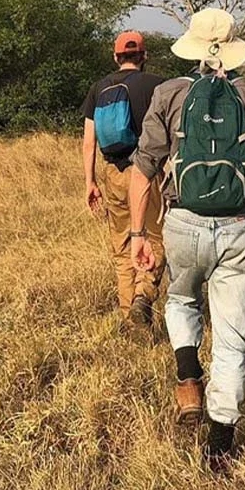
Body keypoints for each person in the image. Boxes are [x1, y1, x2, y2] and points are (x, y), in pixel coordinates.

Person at [128, 8, 245, 472]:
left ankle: (187, 378)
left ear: (195, 50)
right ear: (233, 50)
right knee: (233, 335)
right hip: (240, 228)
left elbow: (144, 169)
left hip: (181, 222)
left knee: (180, 301)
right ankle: (220, 443)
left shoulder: (170, 93)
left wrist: (140, 232)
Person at [81, 31, 166, 332]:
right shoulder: (157, 85)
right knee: (155, 238)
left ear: (116, 57)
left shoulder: (99, 87)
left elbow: (89, 141)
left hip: (113, 173)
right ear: (144, 57)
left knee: (121, 247)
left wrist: (90, 181)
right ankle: (145, 294)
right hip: (149, 173)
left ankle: (129, 316)